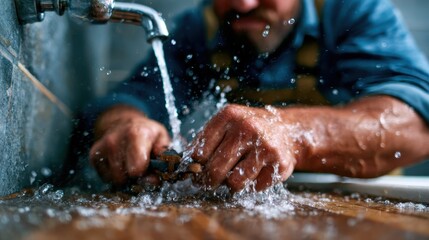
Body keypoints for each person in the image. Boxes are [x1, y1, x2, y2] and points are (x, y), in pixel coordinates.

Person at [80, 0, 429, 192]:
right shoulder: (197, 29)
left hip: (362, 196)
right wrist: (127, 126)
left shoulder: (355, 12)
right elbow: (133, 97)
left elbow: (415, 123)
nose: (243, 4)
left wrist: (293, 134)